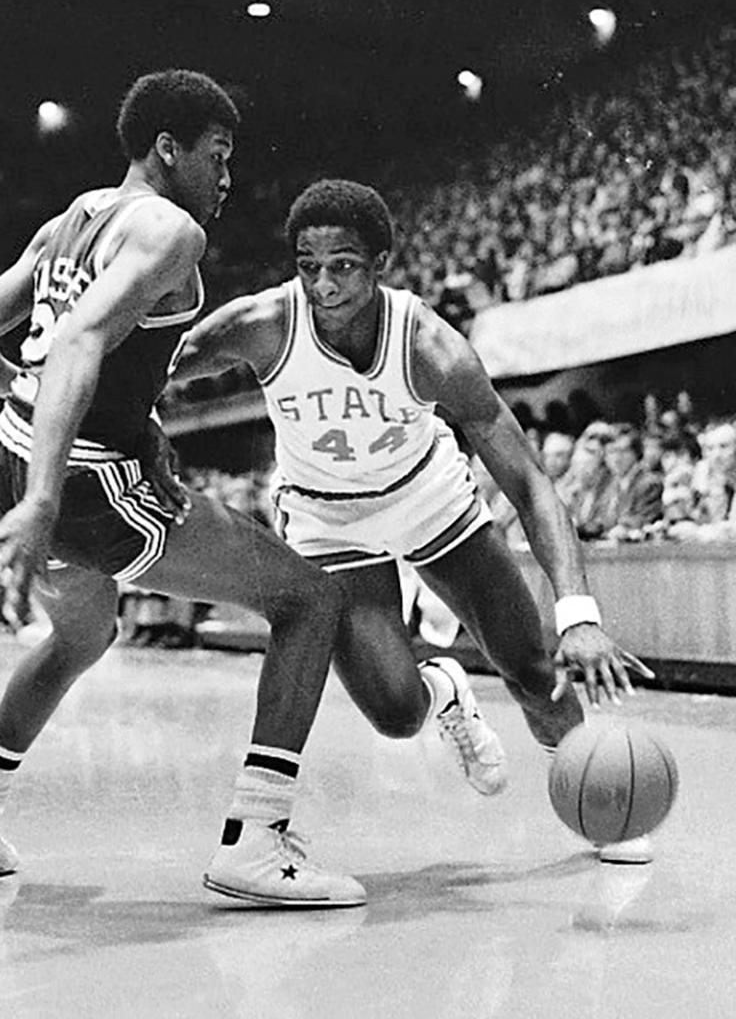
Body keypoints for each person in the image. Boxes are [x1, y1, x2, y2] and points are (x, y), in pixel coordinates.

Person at [0, 69, 361, 908]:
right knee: (308, 599)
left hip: (5, 453)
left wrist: (29, 407)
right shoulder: (172, 232)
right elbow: (84, 339)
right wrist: (49, 494)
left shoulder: (70, 220)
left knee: (81, 636)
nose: (227, 177)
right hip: (81, 482)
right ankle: (256, 843)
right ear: (169, 148)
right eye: (217, 155)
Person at [171, 179, 655, 862]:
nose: (324, 285)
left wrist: (578, 611)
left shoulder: (429, 344)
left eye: (343, 265)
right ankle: (446, 690)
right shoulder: (263, 323)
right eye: (308, 266)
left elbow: (528, 479)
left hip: (431, 502)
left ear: (382, 263)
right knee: (397, 712)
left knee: (534, 669)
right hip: (330, 521)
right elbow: (155, 366)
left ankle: (604, 804)